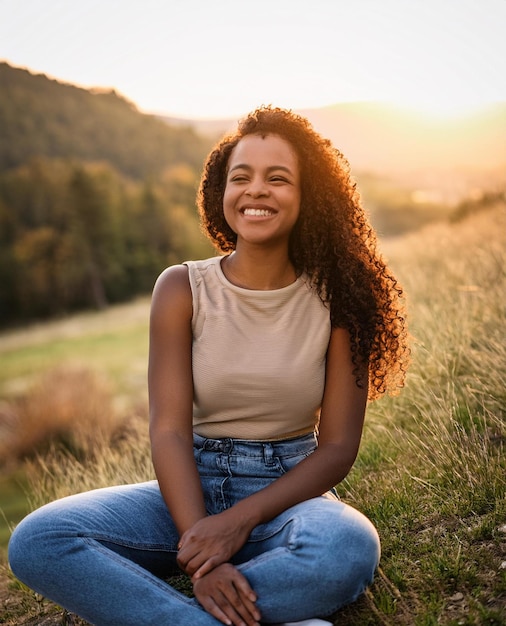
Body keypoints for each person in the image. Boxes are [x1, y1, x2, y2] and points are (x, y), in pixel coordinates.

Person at [8, 106, 409, 626]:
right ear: (221, 192)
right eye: (240, 177)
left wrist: (237, 524)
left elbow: (336, 449)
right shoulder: (181, 287)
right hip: (189, 490)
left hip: (287, 495)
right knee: (39, 540)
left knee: (348, 547)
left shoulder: (343, 299)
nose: (256, 190)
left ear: (309, 196)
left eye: (278, 178)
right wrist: (202, 551)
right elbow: (169, 430)